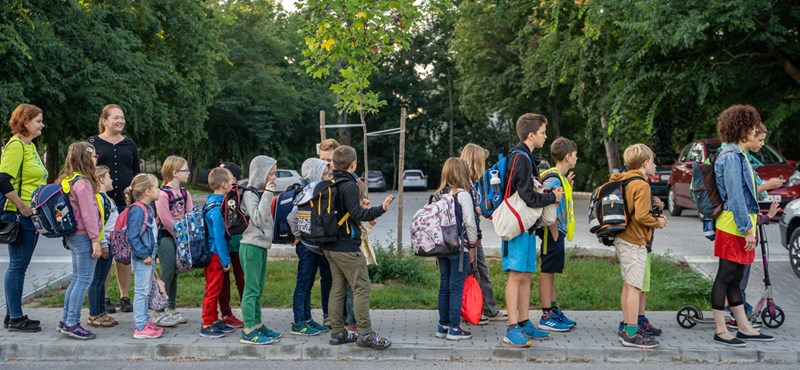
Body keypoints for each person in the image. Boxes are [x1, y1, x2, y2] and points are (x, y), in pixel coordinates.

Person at [711, 105, 775, 346]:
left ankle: (744, 327)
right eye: (753, 127)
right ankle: (720, 329)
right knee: (725, 276)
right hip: (732, 226)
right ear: (742, 129)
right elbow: (736, 197)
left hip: (739, 224)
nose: (756, 130)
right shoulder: (730, 157)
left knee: (736, 278)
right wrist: (747, 229)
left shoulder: (739, 155)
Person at [323, 145, 395, 350]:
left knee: (337, 288)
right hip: (346, 246)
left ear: (334, 164)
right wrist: (380, 209)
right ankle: (365, 333)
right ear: (353, 164)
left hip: (329, 244)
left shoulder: (328, 183)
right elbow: (358, 214)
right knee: (361, 287)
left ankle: (337, 333)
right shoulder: (350, 185)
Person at [501, 113, 562, 348]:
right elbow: (527, 196)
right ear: (531, 134)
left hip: (526, 227)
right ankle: (512, 328)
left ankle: (525, 322)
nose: (546, 137)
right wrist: (551, 197)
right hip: (516, 226)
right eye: (543, 133)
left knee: (526, 275)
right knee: (516, 276)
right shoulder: (520, 158)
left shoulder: (527, 157)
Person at [608, 144, 668, 349]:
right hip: (634, 241)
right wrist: (658, 222)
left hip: (622, 237)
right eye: (652, 161)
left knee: (628, 285)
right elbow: (642, 216)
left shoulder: (623, 180)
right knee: (634, 287)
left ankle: (627, 326)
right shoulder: (641, 185)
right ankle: (631, 334)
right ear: (644, 163)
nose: (655, 165)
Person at [89, 104, 141, 314]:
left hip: (125, 205)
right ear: (104, 120)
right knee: (105, 251)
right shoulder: (92, 143)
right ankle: (103, 296)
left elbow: (137, 173)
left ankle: (124, 296)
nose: (120, 121)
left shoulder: (129, 144)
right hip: (102, 205)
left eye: (122, 117)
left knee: (123, 251)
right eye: (116, 118)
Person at [1, 104, 47, 332]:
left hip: (31, 214)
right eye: (38, 121)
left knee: (21, 265)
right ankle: (16, 318)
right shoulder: (16, 146)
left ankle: (13, 314)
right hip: (20, 215)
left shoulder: (30, 147)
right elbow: (2, 180)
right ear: (25, 121)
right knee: (18, 266)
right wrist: (22, 206)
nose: (42, 125)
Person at [56, 142, 103, 340]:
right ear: (84, 158)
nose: (96, 159)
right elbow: (89, 214)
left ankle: (65, 320)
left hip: (74, 236)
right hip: (84, 236)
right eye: (93, 156)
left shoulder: (68, 180)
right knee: (83, 280)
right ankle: (72, 323)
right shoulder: (83, 184)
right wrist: (95, 240)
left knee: (77, 278)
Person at [433, 158, 479, 341]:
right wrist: (473, 246)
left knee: (444, 286)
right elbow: (470, 223)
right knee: (456, 286)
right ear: (462, 173)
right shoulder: (463, 195)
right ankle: (454, 328)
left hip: (441, 247)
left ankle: (442, 326)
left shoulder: (438, 196)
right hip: (459, 249)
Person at [239, 155, 282, 345]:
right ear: (261, 173)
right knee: (251, 289)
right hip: (250, 246)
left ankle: (257, 324)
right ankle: (248, 330)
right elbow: (257, 219)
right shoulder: (250, 193)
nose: (273, 177)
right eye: (271, 173)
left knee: (258, 289)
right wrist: (267, 194)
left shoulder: (258, 192)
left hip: (260, 245)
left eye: (274, 173)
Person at [287, 158, 334, 336]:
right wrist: (298, 236)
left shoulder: (317, 190)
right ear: (314, 173)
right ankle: (298, 322)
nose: (327, 175)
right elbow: (292, 217)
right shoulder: (307, 191)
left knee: (308, 285)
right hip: (307, 246)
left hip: (315, 245)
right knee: (303, 284)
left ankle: (307, 319)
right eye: (323, 172)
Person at [459, 143, 503, 324]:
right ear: (475, 162)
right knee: (472, 273)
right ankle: (471, 311)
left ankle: (489, 309)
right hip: (468, 238)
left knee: (482, 271)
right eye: (482, 161)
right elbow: (467, 216)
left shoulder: (472, 183)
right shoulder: (464, 184)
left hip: (474, 236)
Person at [538, 137, 579, 332]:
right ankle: (546, 315)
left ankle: (554, 310)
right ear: (568, 156)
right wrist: (554, 231)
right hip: (551, 233)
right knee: (547, 272)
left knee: (552, 272)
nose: (576, 158)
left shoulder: (559, 177)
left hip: (556, 233)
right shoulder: (554, 178)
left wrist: (568, 186)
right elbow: (549, 202)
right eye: (575, 155)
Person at [124, 174, 163, 339]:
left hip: (149, 256)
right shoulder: (137, 210)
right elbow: (132, 236)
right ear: (148, 191)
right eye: (156, 187)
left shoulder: (147, 208)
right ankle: (140, 327)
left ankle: (145, 321)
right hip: (143, 257)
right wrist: (143, 255)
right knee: (141, 291)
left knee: (146, 290)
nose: (159, 190)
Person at [200, 168, 237, 338]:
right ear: (224, 185)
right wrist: (225, 259)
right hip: (216, 254)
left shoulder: (211, 202)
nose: (233, 184)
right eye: (231, 182)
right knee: (213, 289)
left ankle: (214, 320)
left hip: (214, 253)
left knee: (216, 287)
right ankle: (207, 323)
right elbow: (219, 236)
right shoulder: (217, 208)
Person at [318, 138, 349, 329]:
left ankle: (345, 314)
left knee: (343, 278)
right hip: (323, 236)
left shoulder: (345, 179)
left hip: (342, 236)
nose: (326, 164)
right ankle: (328, 315)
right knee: (326, 277)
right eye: (322, 159)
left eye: (328, 159)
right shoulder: (319, 178)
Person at [87, 165, 120, 328]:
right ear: (101, 179)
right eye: (109, 177)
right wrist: (103, 244)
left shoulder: (106, 198)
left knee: (101, 280)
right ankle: (94, 313)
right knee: (97, 280)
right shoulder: (99, 198)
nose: (112, 179)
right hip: (104, 243)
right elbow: (100, 224)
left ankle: (100, 311)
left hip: (110, 242)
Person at [219, 161, 246, 327]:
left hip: (239, 243)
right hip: (223, 245)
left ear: (233, 179)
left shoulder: (240, 195)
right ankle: (226, 313)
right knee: (223, 281)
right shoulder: (217, 197)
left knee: (242, 278)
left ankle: (249, 310)